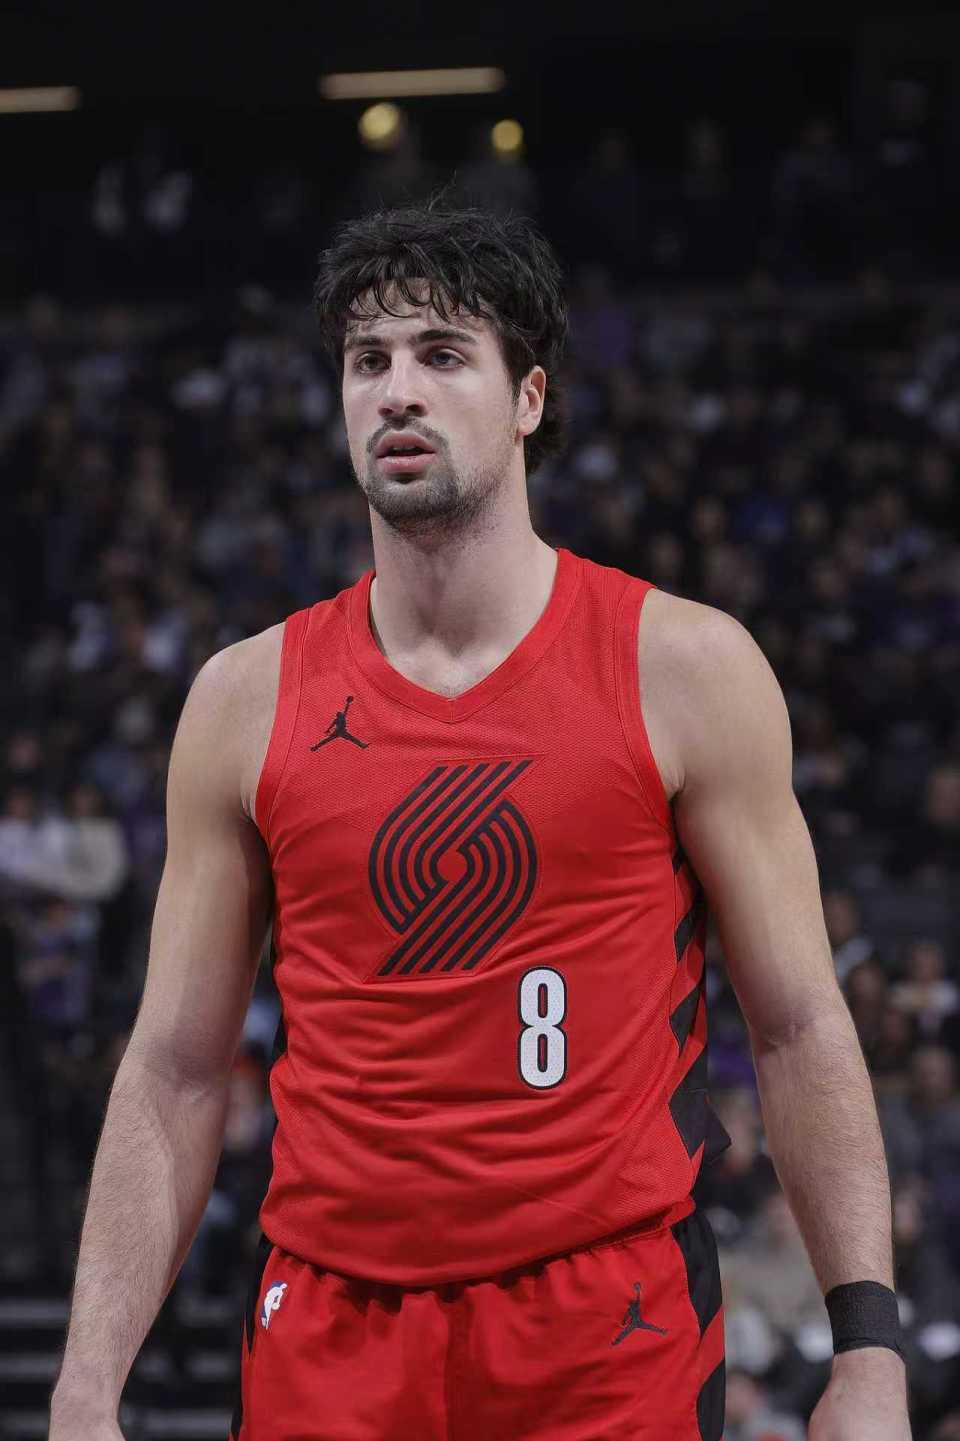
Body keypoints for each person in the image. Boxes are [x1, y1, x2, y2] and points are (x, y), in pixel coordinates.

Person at [48, 201, 911, 1440]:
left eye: (442, 354)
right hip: (332, 1328)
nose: (397, 391)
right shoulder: (242, 701)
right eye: (367, 361)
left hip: (607, 1323)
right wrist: (85, 1385)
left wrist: (868, 1351)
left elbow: (797, 1024)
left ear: (528, 399)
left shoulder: (685, 667)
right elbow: (176, 1069)